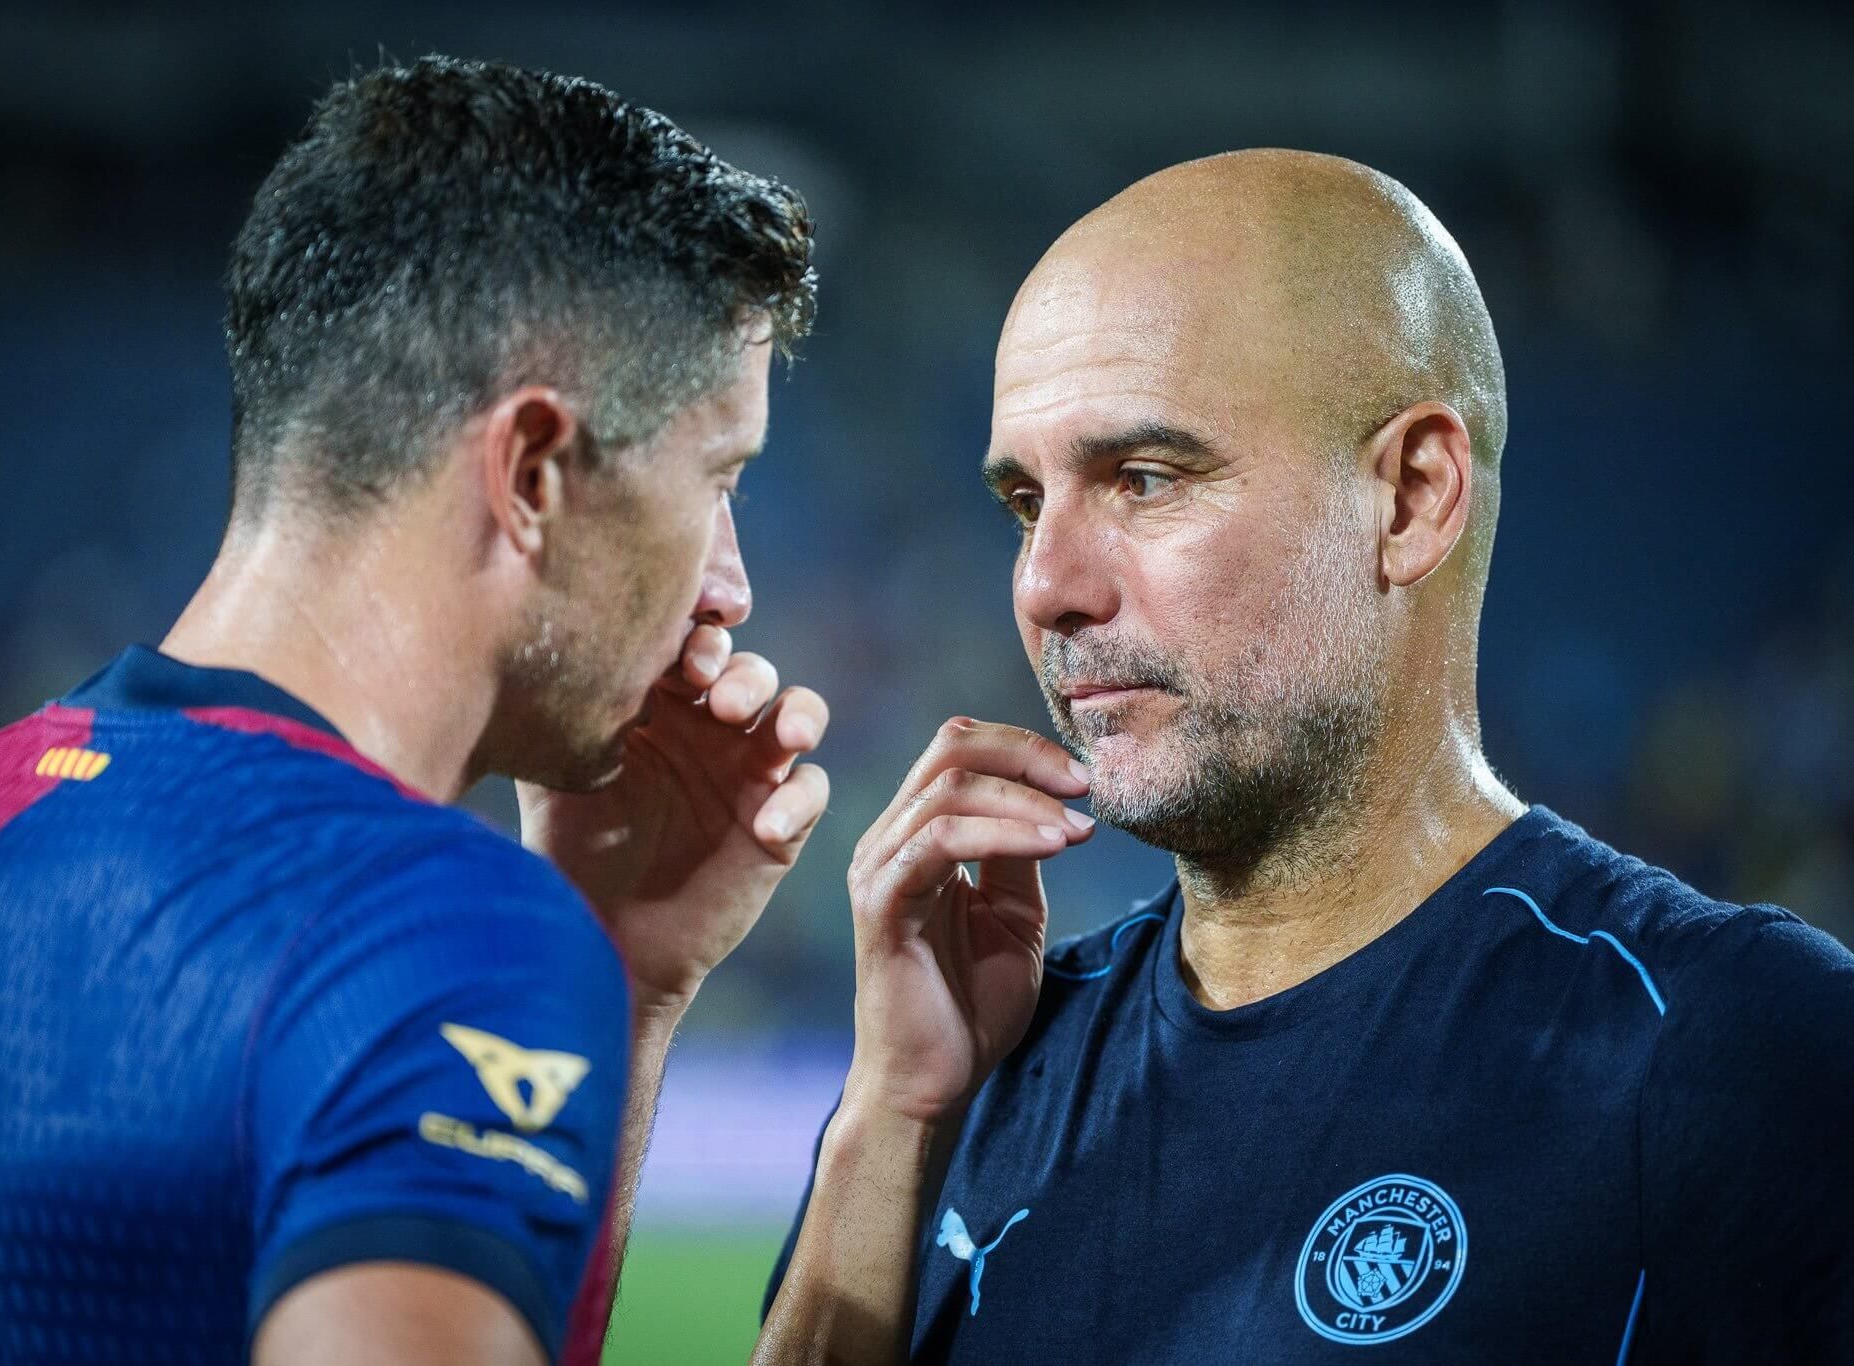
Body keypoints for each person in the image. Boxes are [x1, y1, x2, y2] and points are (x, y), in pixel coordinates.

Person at [0, 56, 828, 1366]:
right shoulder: (427, 927)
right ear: (529, 469)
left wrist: (617, 977)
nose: (729, 584)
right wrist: (533, 953)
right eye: (719, 478)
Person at [756, 150, 1854, 1363]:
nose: (1044, 586)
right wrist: (887, 1118)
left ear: (1409, 496)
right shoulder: (960, 1074)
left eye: (1144, 478)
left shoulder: (1723, 1046)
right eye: (1025, 503)